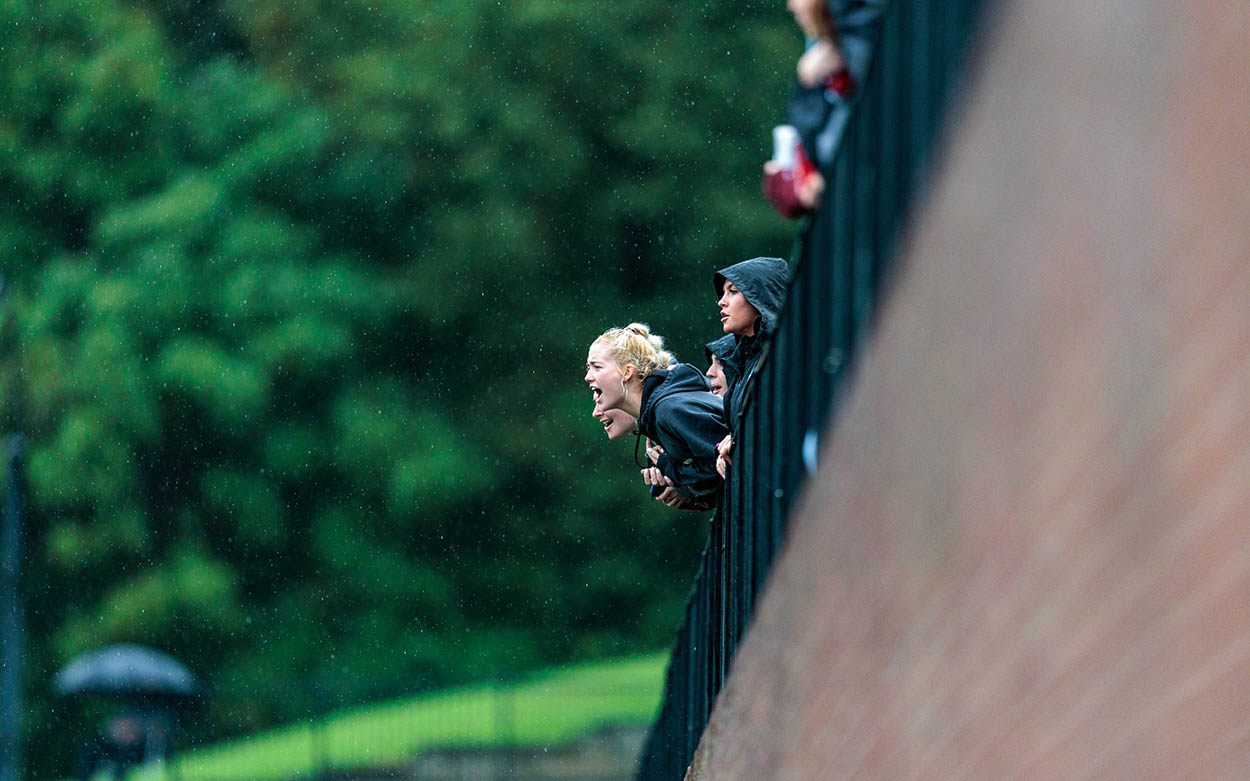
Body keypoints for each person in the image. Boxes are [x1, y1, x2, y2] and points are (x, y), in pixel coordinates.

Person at [585, 324, 727, 504]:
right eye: (588, 368)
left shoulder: (668, 410)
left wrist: (671, 468)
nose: (588, 376)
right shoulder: (661, 411)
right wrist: (686, 490)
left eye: (597, 367)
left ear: (627, 372)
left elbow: (731, 459)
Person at [713, 257, 790, 475]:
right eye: (723, 292)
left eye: (733, 291)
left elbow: (779, 424)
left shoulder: (781, 353)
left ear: (760, 296)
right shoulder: (741, 365)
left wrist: (740, 440)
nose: (721, 301)